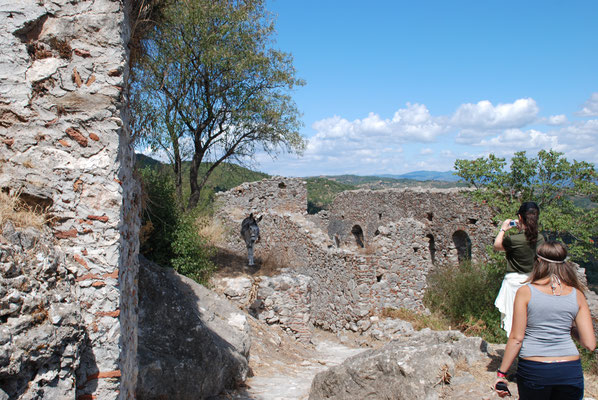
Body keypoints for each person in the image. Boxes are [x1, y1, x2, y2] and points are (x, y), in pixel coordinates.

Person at [494, 241, 596, 399]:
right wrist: (568, 328)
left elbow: (516, 338)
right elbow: (589, 344)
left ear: (539, 261)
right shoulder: (577, 295)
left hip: (535, 369)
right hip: (569, 370)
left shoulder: (526, 292)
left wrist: (501, 374)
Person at [494, 201, 544, 337]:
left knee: (513, 322)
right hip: (532, 282)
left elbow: (497, 245)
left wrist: (503, 229)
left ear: (520, 218)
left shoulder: (513, 240)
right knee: (530, 321)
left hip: (513, 284)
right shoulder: (540, 239)